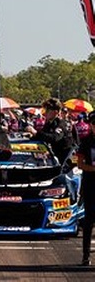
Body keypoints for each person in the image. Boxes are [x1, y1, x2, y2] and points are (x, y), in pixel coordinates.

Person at [25, 98, 75, 165]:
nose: (45, 113)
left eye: (47, 110)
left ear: (55, 112)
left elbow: (55, 137)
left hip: (68, 157)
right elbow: (43, 135)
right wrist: (32, 136)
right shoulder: (49, 123)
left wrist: (35, 132)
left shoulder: (62, 123)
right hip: (57, 155)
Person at [76, 110, 95, 266]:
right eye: (94, 124)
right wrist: (93, 169)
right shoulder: (86, 142)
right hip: (90, 184)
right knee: (89, 220)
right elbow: (80, 164)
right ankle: (85, 255)